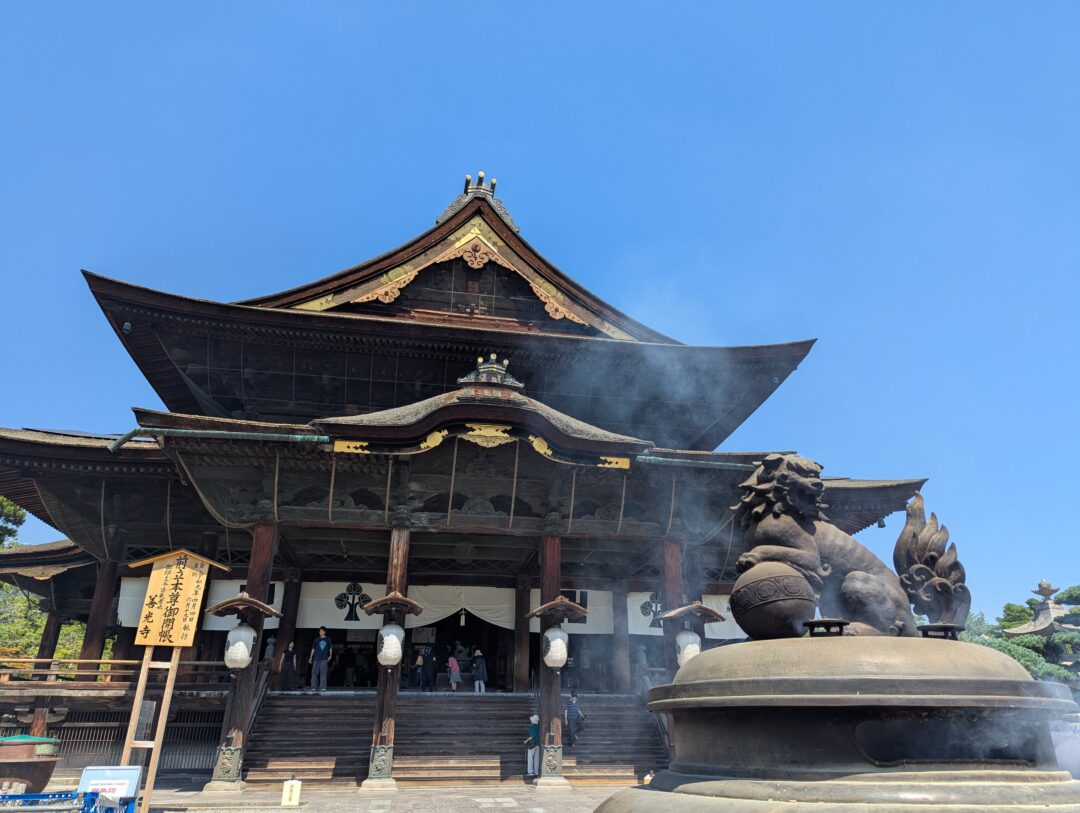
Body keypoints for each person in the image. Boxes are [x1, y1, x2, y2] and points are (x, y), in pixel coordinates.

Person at [309, 627, 333, 693]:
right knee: (314, 673)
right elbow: (313, 649)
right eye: (319, 631)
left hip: (324, 658)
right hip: (316, 658)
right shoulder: (316, 639)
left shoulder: (328, 639)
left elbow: (330, 648)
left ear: (325, 632)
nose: (320, 632)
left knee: (323, 673)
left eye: (322, 631)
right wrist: (311, 657)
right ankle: (313, 687)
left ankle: (323, 687)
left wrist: (330, 655)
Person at [524, 713, 540, 778]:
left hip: (532, 745)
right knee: (537, 758)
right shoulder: (538, 726)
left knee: (530, 758)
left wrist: (526, 741)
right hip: (538, 744)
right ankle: (536, 772)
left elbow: (531, 736)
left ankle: (530, 772)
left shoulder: (533, 727)